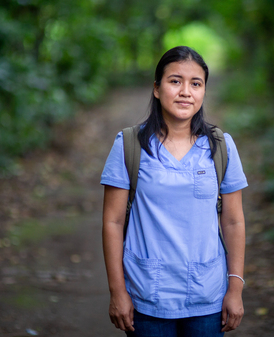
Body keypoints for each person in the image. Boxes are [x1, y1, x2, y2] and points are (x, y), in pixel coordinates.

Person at [100, 46, 248, 337]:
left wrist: (235, 287)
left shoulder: (221, 146)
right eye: (175, 81)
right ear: (156, 89)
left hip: (207, 296)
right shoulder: (129, 145)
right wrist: (118, 292)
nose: (185, 91)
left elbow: (233, 221)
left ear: (204, 91)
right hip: (147, 296)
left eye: (196, 83)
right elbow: (112, 222)